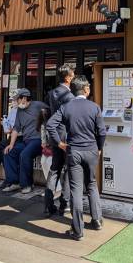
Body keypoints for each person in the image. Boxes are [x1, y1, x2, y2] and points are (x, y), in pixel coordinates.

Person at [46, 76, 106, 241]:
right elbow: (101, 132)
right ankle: (97, 220)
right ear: (86, 89)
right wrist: (99, 148)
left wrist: (59, 143)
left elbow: (50, 124)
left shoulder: (66, 107)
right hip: (92, 150)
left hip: (74, 151)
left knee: (76, 189)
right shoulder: (94, 107)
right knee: (92, 184)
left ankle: (78, 230)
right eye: (89, 87)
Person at [1, 88, 48, 194]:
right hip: (26, 141)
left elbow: (51, 113)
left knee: (24, 154)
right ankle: (14, 182)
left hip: (38, 140)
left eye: (17, 99)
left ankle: (27, 184)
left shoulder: (38, 105)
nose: (16, 101)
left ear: (24, 98)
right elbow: (16, 128)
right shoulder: (19, 111)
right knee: (9, 152)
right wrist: (11, 144)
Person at [43, 64, 75, 216]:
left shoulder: (51, 93)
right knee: (68, 169)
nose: (74, 76)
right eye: (73, 74)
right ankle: (65, 203)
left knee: (55, 168)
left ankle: (48, 204)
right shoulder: (69, 96)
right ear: (68, 78)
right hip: (66, 136)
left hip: (54, 134)